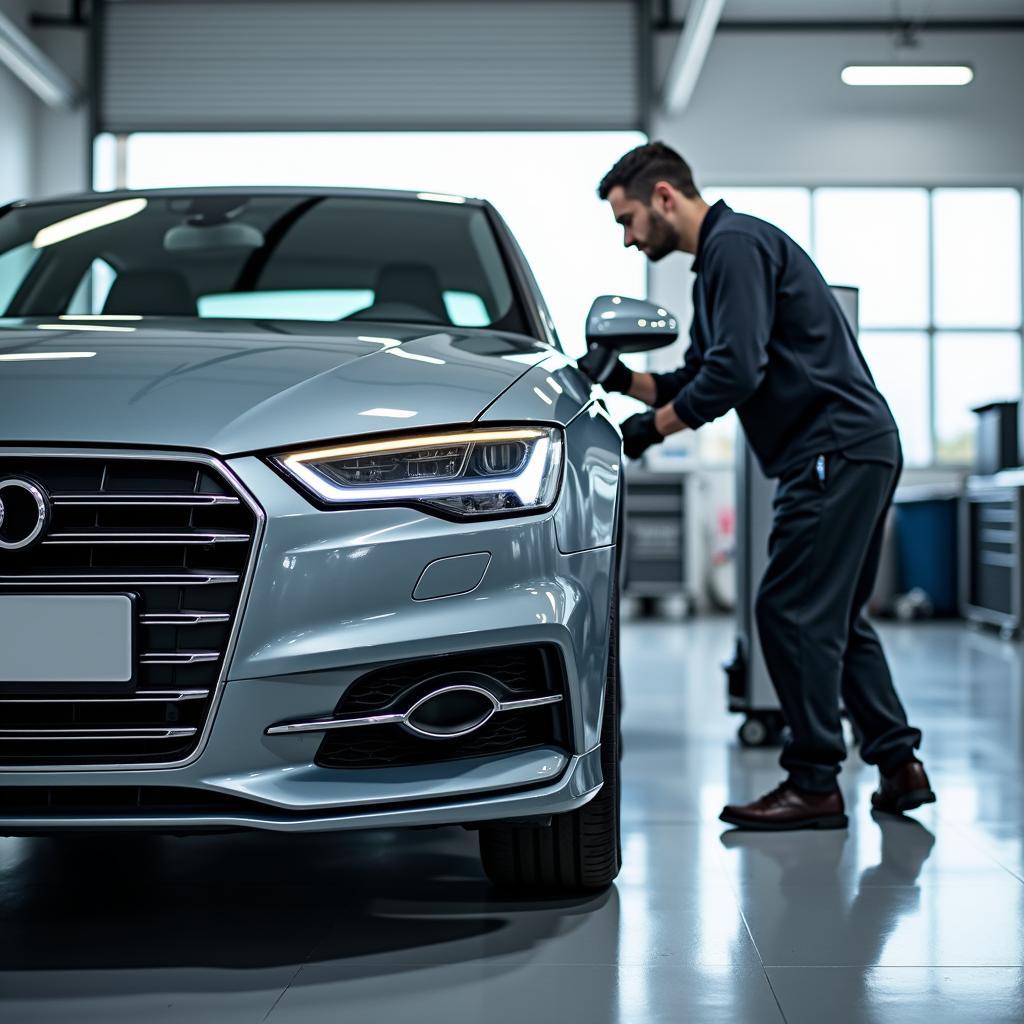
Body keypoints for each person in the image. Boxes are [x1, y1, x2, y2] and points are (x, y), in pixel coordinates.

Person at [581, 141, 934, 831]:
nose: (627, 240)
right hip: (853, 446)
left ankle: (814, 783)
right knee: (835, 619)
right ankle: (899, 766)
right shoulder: (720, 261)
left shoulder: (734, 247)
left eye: (627, 220)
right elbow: (696, 377)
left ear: (663, 198)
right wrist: (619, 379)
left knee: (787, 612)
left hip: (832, 448)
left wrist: (651, 431)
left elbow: (737, 374)